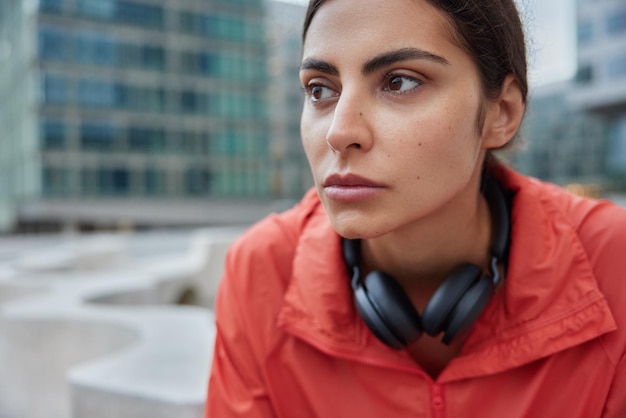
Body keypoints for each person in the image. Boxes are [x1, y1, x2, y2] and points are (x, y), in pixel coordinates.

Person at [206, 0, 626, 416]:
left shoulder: (611, 262)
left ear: (502, 113)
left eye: (400, 82)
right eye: (320, 89)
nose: (339, 132)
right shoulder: (262, 272)